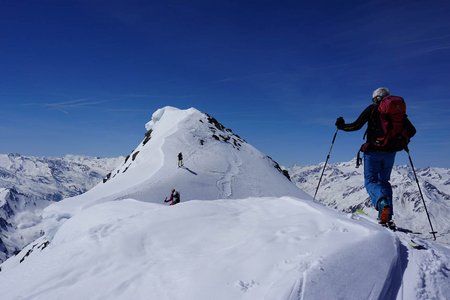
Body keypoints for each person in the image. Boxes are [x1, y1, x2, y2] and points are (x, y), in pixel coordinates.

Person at [335, 87, 416, 225]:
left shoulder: (373, 109)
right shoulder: (399, 113)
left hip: (373, 151)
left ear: (376, 98)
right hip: (391, 152)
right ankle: (387, 216)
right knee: (384, 182)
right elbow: (412, 131)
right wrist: (400, 141)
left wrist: (341, 126)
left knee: (371, 182)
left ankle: (382, 203)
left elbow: (355, 126)